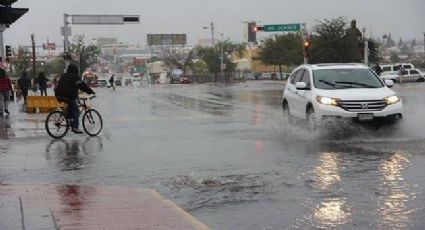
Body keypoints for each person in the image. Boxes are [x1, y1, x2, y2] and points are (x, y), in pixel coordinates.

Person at [55, 64, 95, 134]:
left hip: (58, 95)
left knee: (72, 106)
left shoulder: (64, 75)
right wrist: (91, 92)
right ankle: (75, 127)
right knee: (76, 110)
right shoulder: (75, 77)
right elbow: (82, 86)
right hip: (68, 96)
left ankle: (69, 118)